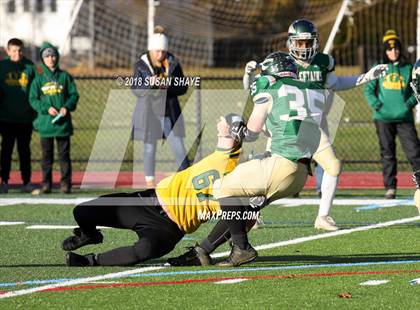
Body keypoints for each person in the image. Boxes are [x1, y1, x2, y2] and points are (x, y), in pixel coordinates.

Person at [62, 114, 262, 267]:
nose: (219, 120)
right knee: (82, 211)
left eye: (224, 120)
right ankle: (88, 236)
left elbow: (238, 216)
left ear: (230, 129)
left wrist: (206, 248)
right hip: (147, 202)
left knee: (145, 250)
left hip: (170, 228)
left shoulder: (236, 170)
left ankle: (89, 261)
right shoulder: (221, 154)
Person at [243, 19, 387, 231]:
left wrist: (365, 77)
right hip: (284, 128)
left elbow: (335, 85)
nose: (304, 47)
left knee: (333, 166)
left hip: (313, 126)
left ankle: (323, 216)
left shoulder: (323, 62)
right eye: (300, 43)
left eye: (308, 42)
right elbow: (256, 90)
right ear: (291, 43)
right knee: (272, 174)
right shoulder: (280, 62)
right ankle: (250, 214)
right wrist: (247, 76)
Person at [364, 30, 420, 199]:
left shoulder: (408, 68)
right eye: (389, 49)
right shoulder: (379, 68)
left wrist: (408, 105)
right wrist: (377, 105)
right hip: (383, 118)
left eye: (396, 49)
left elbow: (416, 90)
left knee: (415, 151)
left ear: (400, 49)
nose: (393, 52)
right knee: (387, 153)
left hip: (404, 118)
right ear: (384, 51)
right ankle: (390, 187)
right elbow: (368, 90)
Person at [131, 26, 189, 188]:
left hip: (169, 113)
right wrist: (149, 85)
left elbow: (183, 87)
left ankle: (187, 180)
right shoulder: (141, 65)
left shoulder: (174, 64)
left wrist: (168, 84)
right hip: (148, 114)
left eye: (162, 51)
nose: (160, 54)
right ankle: (150, 183)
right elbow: (136, 89)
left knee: (179, 148)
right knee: (149, 149)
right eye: (157, 51)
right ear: (150, 49)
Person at [29, 42, 79, 194]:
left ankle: (65, 185)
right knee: (46, 158)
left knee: (64, 157)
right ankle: (46, 185)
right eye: (47, 56)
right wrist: (46, 108)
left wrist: (66, 107)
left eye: (53, 56)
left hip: (62, 125)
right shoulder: (38, 79)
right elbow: (33, 99)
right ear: (42, 59)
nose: (50, 59)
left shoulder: (65, 77)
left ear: (57, 57)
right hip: (46, 125)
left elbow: (73, 95)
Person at [0, 38, 36, 193]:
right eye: (14, 50)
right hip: (5, 117)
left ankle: (26, 182)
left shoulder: (30, 67)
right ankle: (4, 182)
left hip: (25, 118)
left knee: (24, 152)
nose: (17, 53)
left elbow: (36, 91)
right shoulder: (2, 66)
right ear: (8, 51)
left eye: (20, 50)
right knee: (6, 151)